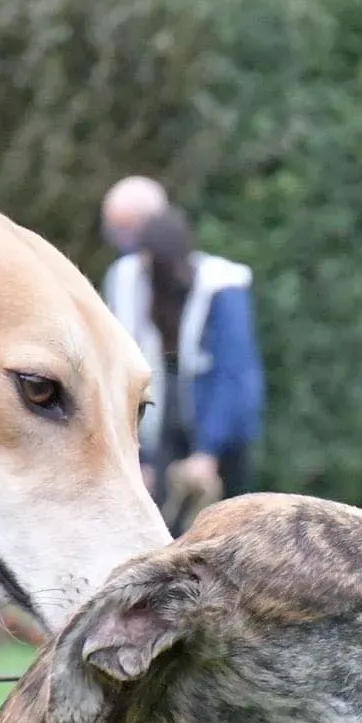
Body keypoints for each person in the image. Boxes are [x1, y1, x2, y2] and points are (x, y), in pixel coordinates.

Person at [116, 206, 263, 529]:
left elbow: (233, 376)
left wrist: (208, 453)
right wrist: (137, 459)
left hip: (217, 437)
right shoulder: (131, 282)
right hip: (165, 427)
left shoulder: (222, 288)